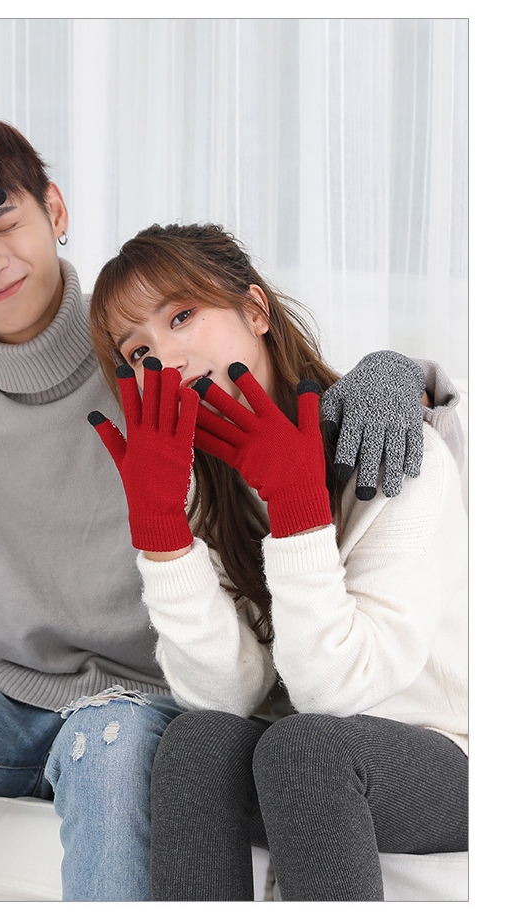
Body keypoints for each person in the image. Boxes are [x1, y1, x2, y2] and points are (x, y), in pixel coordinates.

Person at [0, 119, 460, 902]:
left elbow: (286, 396)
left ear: (55, 210)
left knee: (119, 743)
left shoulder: (157, 370)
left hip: (151, 696)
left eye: (4, 224)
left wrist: (399, 373)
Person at [86, 222, 467, 901]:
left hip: (443, 754)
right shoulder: (203, 489)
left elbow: (335, 695)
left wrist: (298, 507)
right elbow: (223, 698)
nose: (164, 357)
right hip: (302, 755)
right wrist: (162, 531)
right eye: (138, 350)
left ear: (255, 310)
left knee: (305, 748)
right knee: (196, 741)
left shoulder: (396, 449)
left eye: (182, 316)